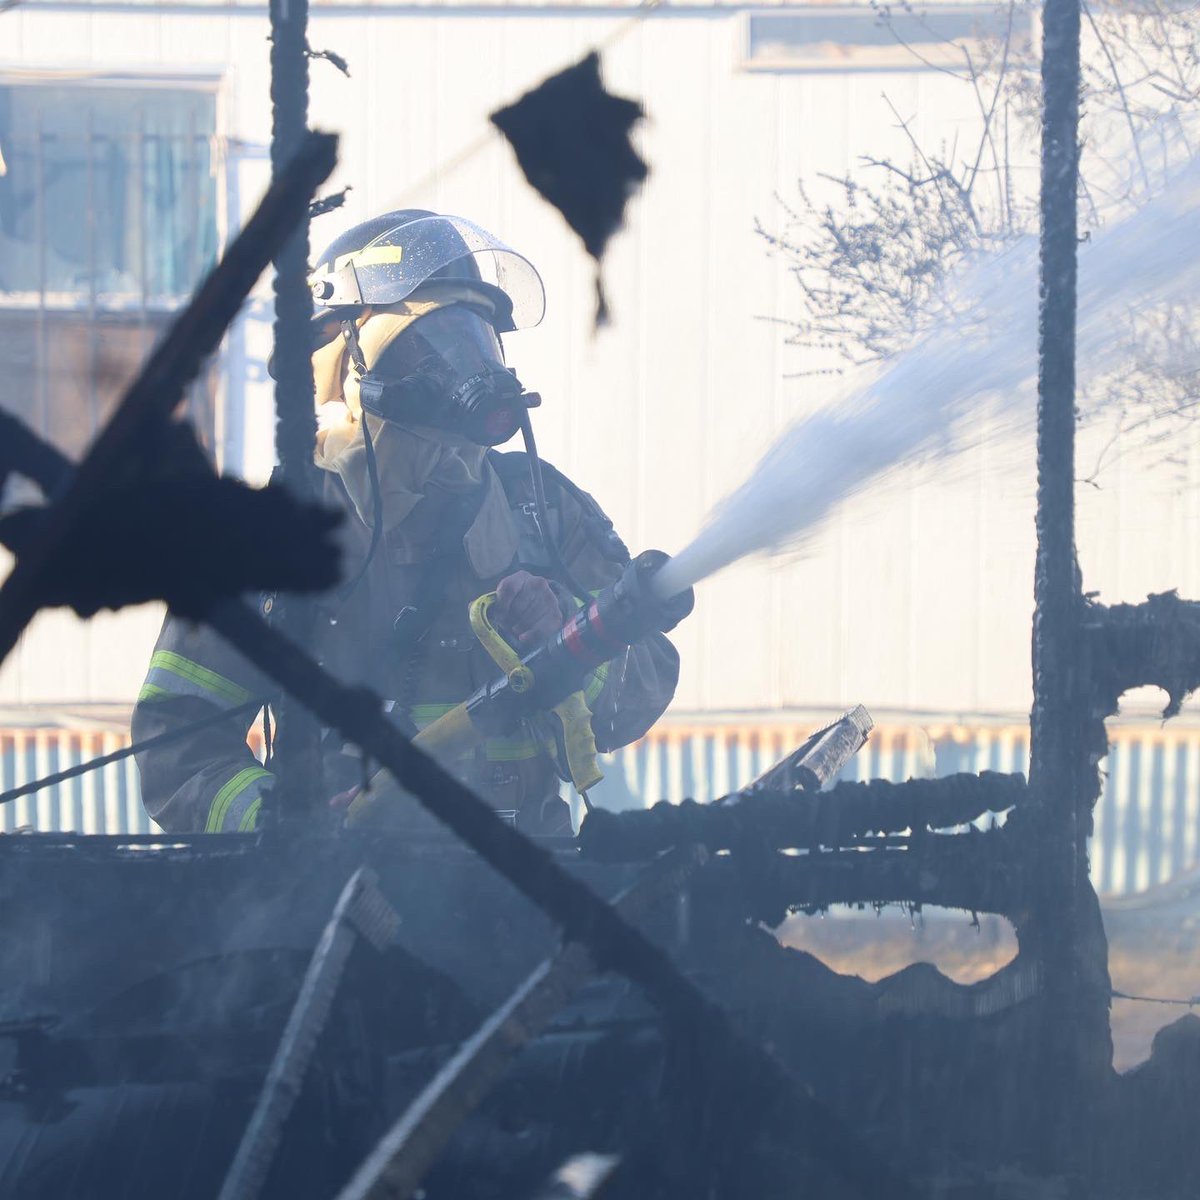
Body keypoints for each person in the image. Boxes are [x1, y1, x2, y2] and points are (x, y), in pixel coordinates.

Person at [133, 210, 680, 836]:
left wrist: (567, 640)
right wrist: (279, 826)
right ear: (343, 367)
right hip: (339, 899)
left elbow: (633, 700)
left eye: (473, 340)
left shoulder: (542, 509)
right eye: (423, 345)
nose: (456, 375)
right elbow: (175, 742)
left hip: (523, 891)